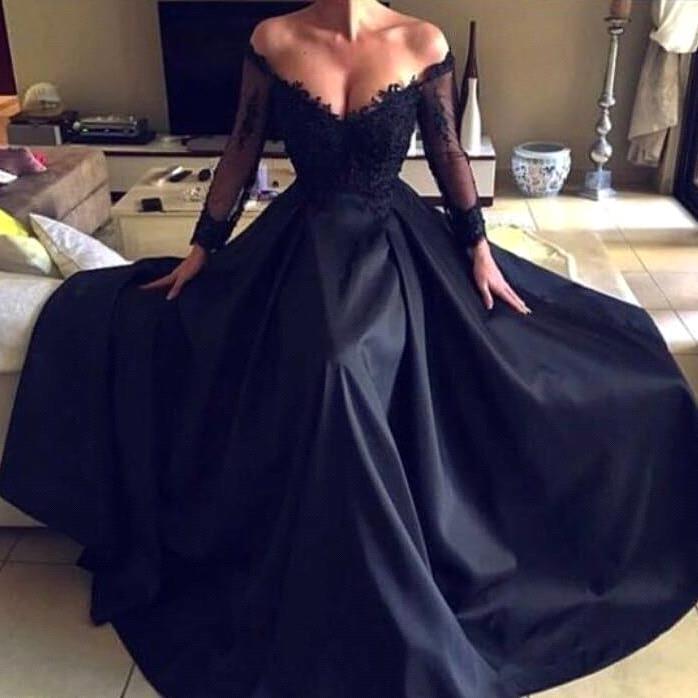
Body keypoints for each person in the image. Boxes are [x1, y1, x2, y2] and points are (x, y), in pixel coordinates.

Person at [1, 2, 697, 697]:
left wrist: (479, 247)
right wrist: (203, 249)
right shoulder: (272, 38)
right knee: (325, 362)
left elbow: (448, 152)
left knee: (380, 359)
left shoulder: (422, 41)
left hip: (392, 239)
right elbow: (241, 150)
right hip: (300, 242)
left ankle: (383, 571)